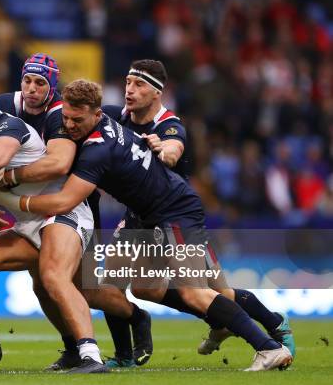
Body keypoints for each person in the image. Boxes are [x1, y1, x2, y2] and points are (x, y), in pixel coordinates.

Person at [0, 79, 294, 372]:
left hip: (175, 212)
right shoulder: (106, 119)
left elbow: (62, 202)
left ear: (96, 115)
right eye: (66, 119)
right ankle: (139, 348)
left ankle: (267, 346)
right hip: (147, 215)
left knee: (195, 292)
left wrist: (15, 201)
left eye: (77, 120)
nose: (69, 126)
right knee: (143, 286)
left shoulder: (97, 151)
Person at [101, 59, 294, 359]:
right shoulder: (116, 119)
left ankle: (273, 324)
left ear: (157, 93)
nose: (130, 90)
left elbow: (172, 149)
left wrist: (163, 150)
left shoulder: (169, 125)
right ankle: (125, 355)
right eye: (128, 82)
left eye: (139, 85)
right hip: (139, 216)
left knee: (219, 294)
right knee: (129, 286)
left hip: (176, 214)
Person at [0, 82, 105, 373]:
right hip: (29, 223)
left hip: (63, 212)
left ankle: (92, 355)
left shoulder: (8, 125)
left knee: (53, 277)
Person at [0, 53, 149, 370]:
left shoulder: (62, 111)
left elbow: (64, 160)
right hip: (40, 209)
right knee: (43, 285)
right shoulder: (3, 106)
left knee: (85, 288)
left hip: (75, 202)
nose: (32, 88)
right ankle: (73, 349)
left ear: (53, 87)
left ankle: (134, 320)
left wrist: (10, 180)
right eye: (27, 80)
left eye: (40, 82)